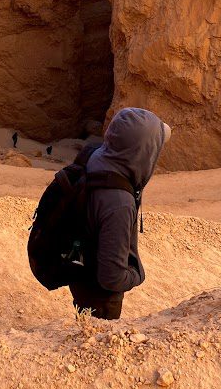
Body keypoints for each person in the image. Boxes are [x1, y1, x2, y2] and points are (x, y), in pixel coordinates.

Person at [69, 107, 171, 320]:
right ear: (143, 151)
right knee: (96, 341)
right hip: (100, 297)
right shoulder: (118, 203)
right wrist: (137, 275)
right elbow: (111, 279)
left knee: (84, 325)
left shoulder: (96, 157)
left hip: (80, 274)